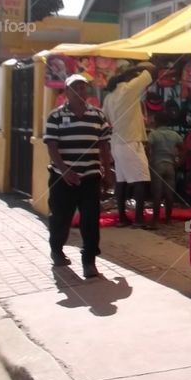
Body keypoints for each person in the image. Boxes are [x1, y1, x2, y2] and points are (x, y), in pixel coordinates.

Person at [44, 74, 113, 278]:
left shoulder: (98, 116)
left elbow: (104, 146)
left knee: (91, 220)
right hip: (62, 177)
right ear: (67, 92)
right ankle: (57, 250)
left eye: (83, 87)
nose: (81, 91)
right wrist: (65, 171)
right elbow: (52, 147)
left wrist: (107, 172)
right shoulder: (55, 116)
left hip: (90, 176)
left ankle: (89, 261)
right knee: (60, 218)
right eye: (76, 87)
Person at [103, 61, 158, 227]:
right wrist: (137, 68)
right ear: (129, 75)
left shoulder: (109, 97)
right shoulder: (129, 88)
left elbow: (106, 119)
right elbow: (152, 69)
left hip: (117, 143)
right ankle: (139, 220)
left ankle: (122, 218)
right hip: (130, 141)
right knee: (141, 180)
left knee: (122, 181)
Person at [146, 112, 184, 228]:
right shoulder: (174, 135)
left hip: (157, 165)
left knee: (157, 193)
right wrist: (179, 161)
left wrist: (148, 161)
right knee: (169, 193)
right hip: (170, 165)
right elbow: (183, 148)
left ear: (156, 122)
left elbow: (147, 148)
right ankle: (168, 219)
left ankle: (155, 220)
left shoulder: (153, 134)